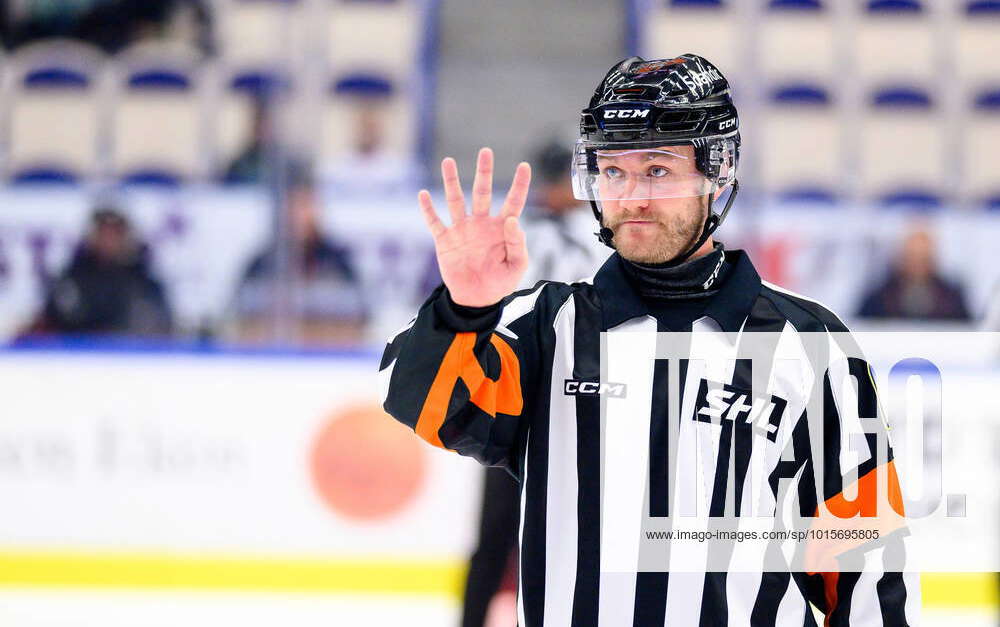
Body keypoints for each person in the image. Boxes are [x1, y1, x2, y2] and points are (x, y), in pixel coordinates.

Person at [379, 55, 919, 625]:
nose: (631, 196)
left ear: (720, 170)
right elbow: (420, 404)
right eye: (613, 171)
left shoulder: (812, 346)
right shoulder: (545, 326)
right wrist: (464, 309)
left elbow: (868, 568)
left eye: (657, 170)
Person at [232, 166, 366, 344]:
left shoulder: (337, 261)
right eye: (294, 207)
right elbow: (241, 316)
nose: (301, 215)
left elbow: (358, 315)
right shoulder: (264, 261)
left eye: (306, 206)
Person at [29, 206, 172, 337]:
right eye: (103, 233)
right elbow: (53, 319)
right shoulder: (73, 278)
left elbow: (157, 326)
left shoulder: (142, 282)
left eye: (114, 234)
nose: (108, 240)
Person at [856, 226, 971, 321]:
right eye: (912, 257)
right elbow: (862, 327)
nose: (917, 264)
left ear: (933, 259)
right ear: (902, 257)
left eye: (923, 258)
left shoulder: (951, 297)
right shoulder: (881, 295)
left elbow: (966, 331)